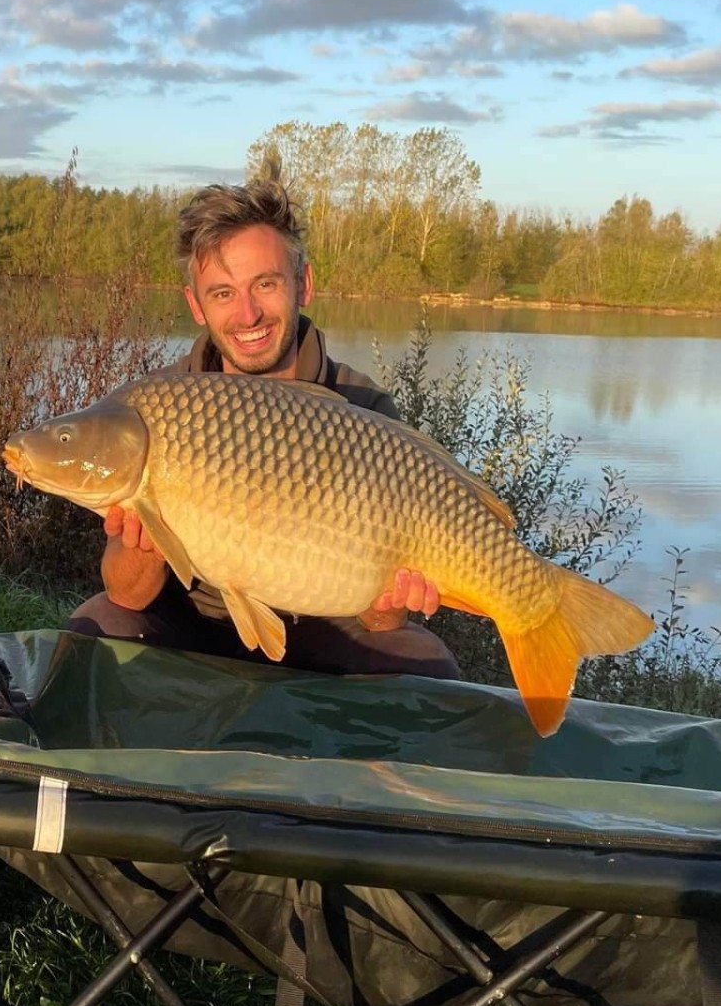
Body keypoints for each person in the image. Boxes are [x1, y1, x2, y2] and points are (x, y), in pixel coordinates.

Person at [69, 180, 463, 679]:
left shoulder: (363, 408)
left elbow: (381, 617)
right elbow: (128, 593)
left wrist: (393, 599)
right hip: (195, 621)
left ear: (304, 284)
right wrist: (139, 540)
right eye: (223, 293)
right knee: (98, 628)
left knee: (424, 665)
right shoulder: (155, 409)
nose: (247, 313)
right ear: (196, 305)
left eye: (266, 284)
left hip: (327, 623)